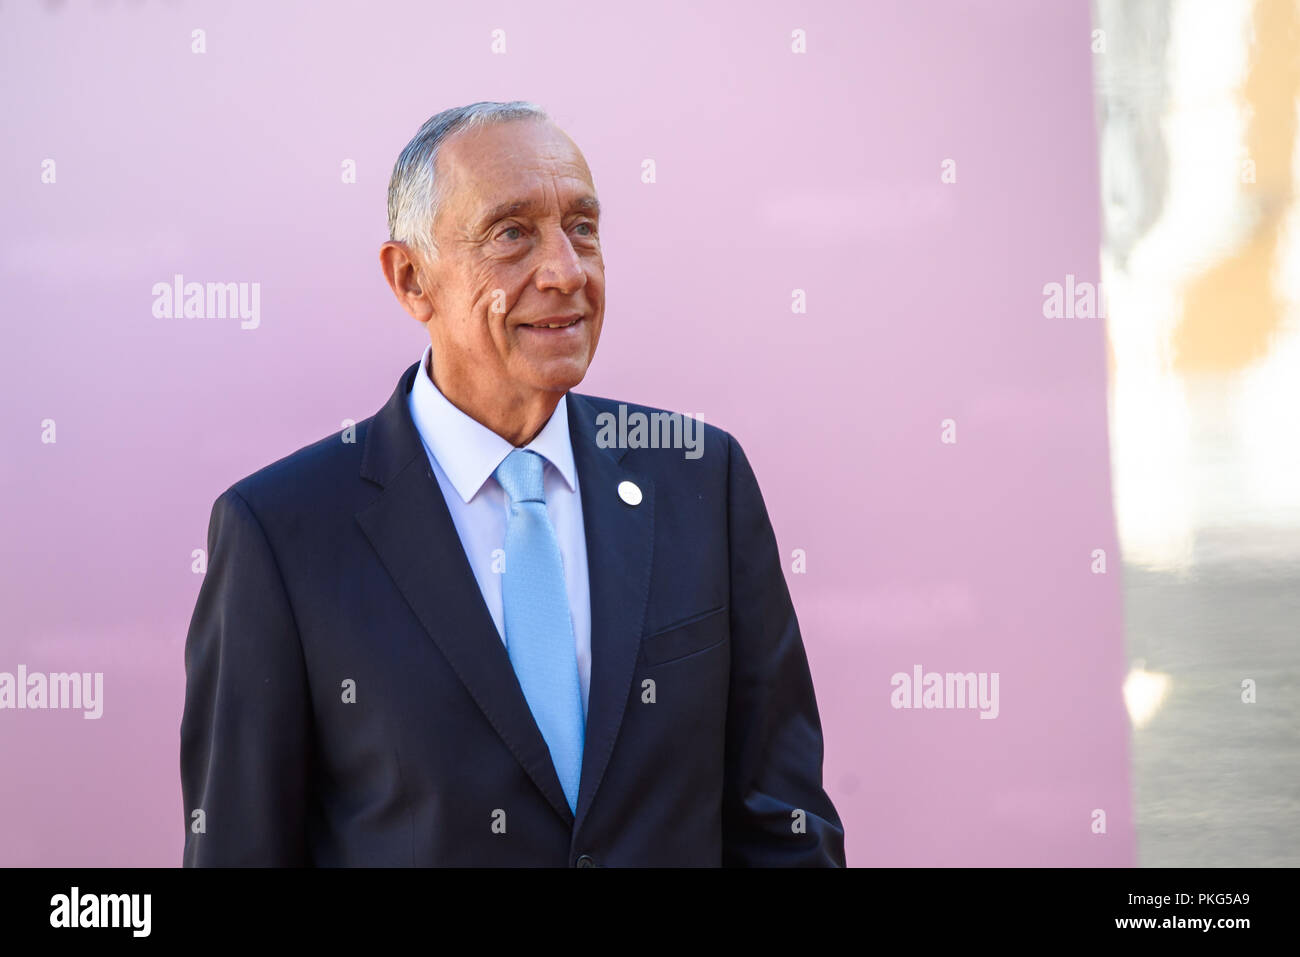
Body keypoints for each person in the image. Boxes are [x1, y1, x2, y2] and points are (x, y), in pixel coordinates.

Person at [180, 100, 845, 866]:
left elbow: (782, 821)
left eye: (583, 228)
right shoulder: (281, 533)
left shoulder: (701, 476)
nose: (565, 271)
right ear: (410, 279)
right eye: (511, 234)